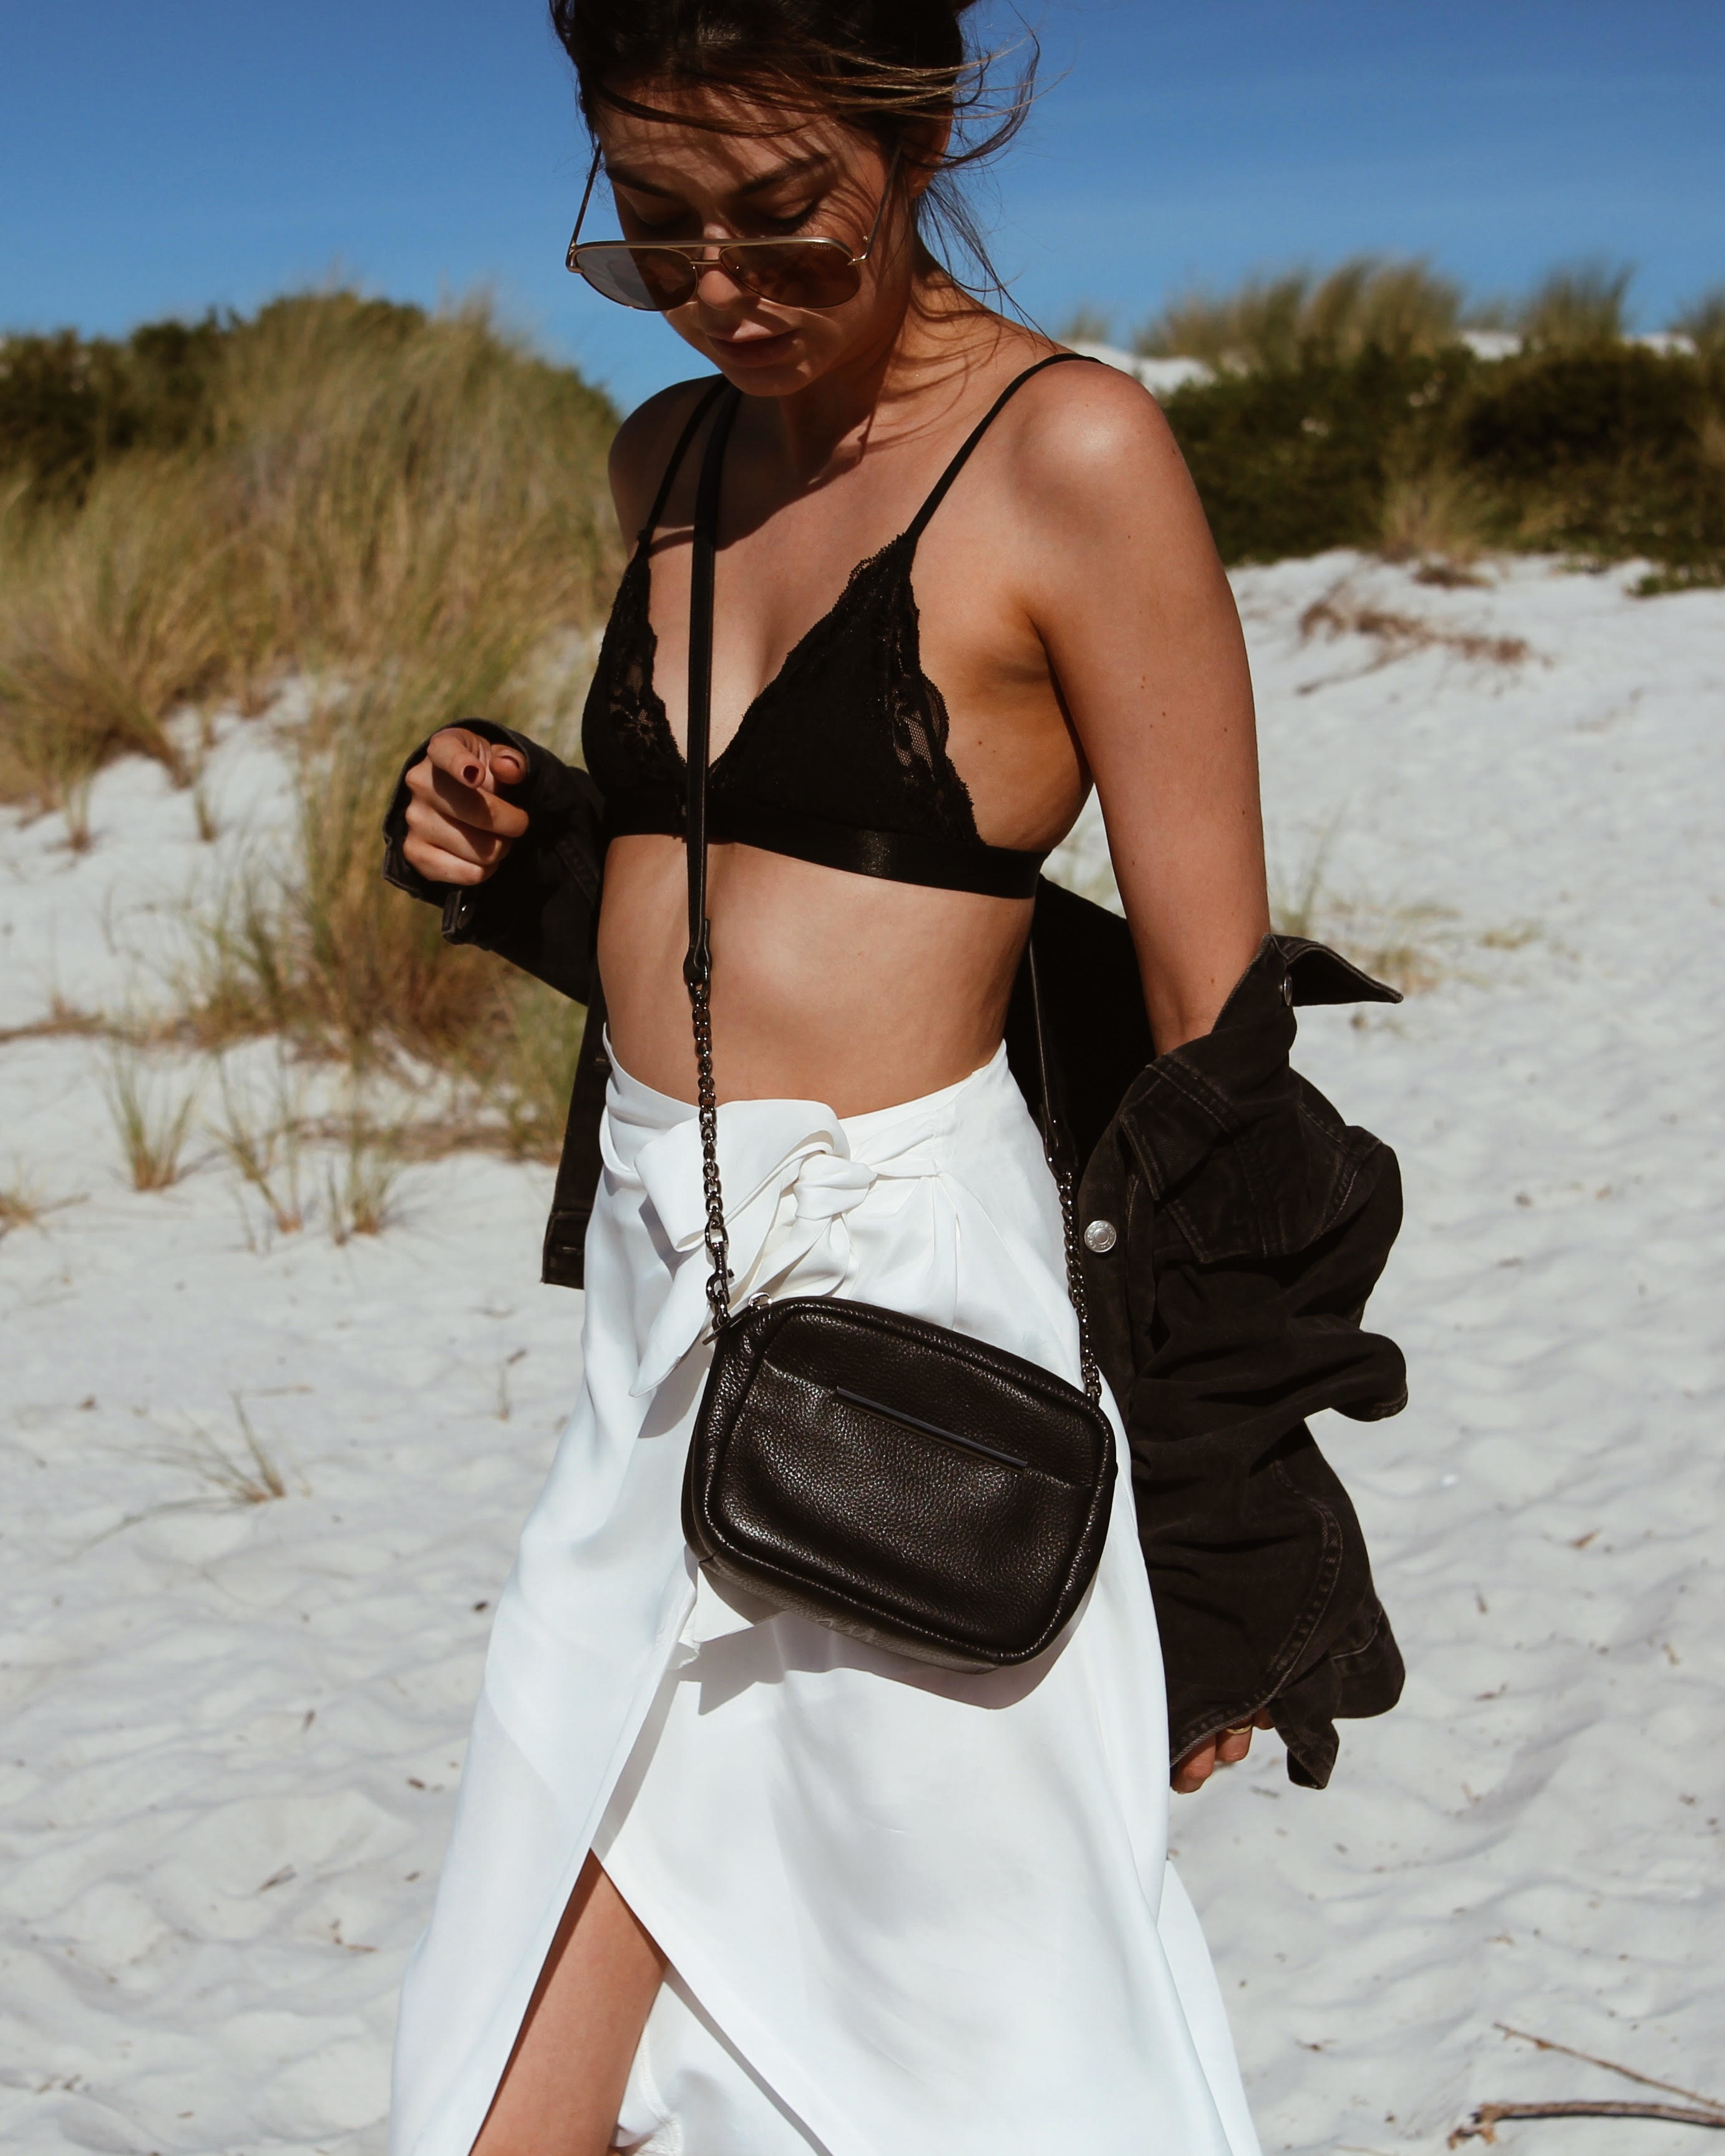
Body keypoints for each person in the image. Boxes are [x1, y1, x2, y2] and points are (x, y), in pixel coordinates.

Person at [382, 4, 1407, 2152]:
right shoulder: (662, 457)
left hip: (914, 1323)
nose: (720, 288)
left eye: (783, 222)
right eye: (653, 228)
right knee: (524, 2024)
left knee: (967, 2062)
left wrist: (1226, 1537)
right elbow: (732, 900)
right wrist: (527, 849)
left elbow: (1220, 1044)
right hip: (656, 1314)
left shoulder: (1073, 456)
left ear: (919, 140)